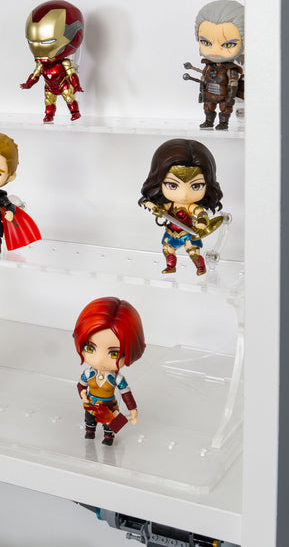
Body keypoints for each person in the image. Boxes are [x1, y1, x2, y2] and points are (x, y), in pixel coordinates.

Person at [139, 138, 224, 275]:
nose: (184, 194)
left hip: (188, 234)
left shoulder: (190, 206)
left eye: (196, 186)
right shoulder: (169, 205)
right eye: (173, 185)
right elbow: (156, 207)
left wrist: (202, 220)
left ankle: (201, 267)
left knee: (193, 252)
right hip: (171, 232)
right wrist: (153, 207)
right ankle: (171, 266)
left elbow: (200, 213)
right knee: (167, 249)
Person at [73, 297, 146, 446]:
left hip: (108, 408)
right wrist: (83, 395)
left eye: (114, 353)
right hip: (91, 405)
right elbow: (81, 385)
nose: (100, 360)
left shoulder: (116, 378)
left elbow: (126, 393)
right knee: (89, 421)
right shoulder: (88, 373)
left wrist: (132, 409)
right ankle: (90, 431)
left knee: (109, 426)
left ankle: (108, 437)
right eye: (90, 348)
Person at [183, 0, 245, 131]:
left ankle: (223, 123)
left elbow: (233, 83)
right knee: (208, 107)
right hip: (209, 94)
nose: (215, 50)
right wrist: (202, 90)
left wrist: (231, 97)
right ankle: (208, 121)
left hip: (224, 95)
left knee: (225, 108)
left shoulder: (231, 69)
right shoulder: (208, 66)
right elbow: (203, 78)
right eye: (206, 42)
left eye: (228, 44)